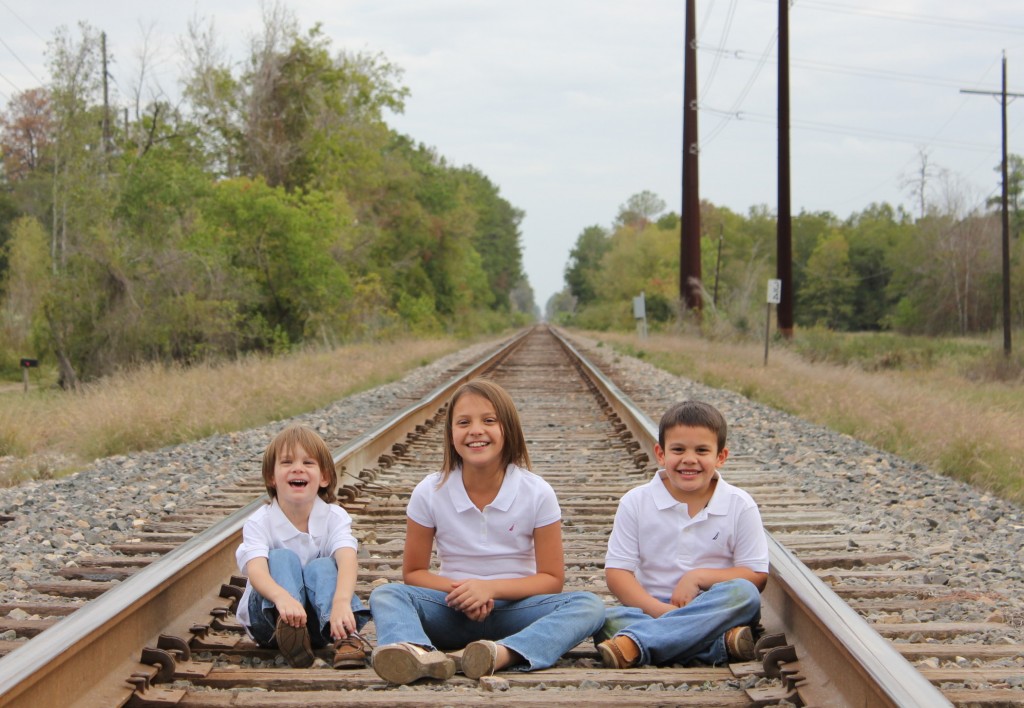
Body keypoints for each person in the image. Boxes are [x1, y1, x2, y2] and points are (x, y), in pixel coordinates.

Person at [368, 378, 606, 684]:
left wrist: (489, 589)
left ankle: (503, 654)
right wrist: (465, 592)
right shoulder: (430, 490)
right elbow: (414, 573)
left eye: (489, 420)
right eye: (463, 422)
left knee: (590, 606)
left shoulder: (536, 492)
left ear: (508, 429)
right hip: (451, 608)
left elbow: (551, 580)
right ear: (451, 434)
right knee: (386, 594)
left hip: (516, 613)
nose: (476, 430)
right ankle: (417, 653)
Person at [595, 400, 769, 668]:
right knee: (605, 621)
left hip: (713, 610)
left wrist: (698, 577)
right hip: (651, 609)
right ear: (661, 454)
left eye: (702, 450)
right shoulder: (636, 502)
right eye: (678, 449)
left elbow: (755, 575)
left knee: (744, 593)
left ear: (720, 457)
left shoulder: (739, 504)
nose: (690, 459)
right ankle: (718, 647)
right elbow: (617, 573)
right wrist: (661, 612)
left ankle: (637, 645)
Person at [235, 424, 370, 669]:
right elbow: (255, 570)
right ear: (271, 477)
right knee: (280, 558)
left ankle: (344, 636)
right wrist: (281, 598)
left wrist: (340, 602)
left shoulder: (334, 516)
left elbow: (347, 559)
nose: (298, 468)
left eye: (308, 463)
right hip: (270, 622)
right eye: (287, 462)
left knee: (324, 566)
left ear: (324, 477)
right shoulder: (260, 521)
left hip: (322, 625)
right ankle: (290, 633)